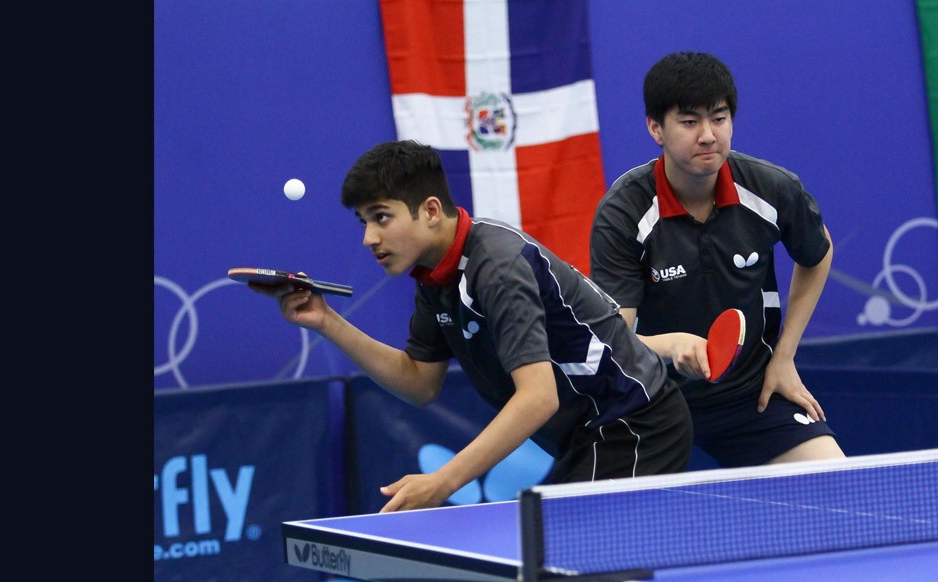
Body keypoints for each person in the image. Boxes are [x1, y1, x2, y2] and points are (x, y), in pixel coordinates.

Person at [251, 140, 693, 512]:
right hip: (590, 435)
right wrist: (326, 320)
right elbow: (420, 383)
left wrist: (443, 481)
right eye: (364, 222)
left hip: (635, 424)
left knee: (564, 567)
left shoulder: (495, 266)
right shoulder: (435, 275)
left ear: (428, 210)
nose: (369, 238)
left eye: (381, 217)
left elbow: (538, 398)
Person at [589, 51, 846, 467]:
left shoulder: (770, 188)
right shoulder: (624, 213)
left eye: (719, 118)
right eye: (689, 122)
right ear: (656, 128)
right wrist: (670, 346)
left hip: (750, 396)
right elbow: (614, 340)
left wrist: (783, 357)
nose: (708, 135)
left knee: (836, 482)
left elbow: (819, 251)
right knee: (621, 521)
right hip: (650, 402)